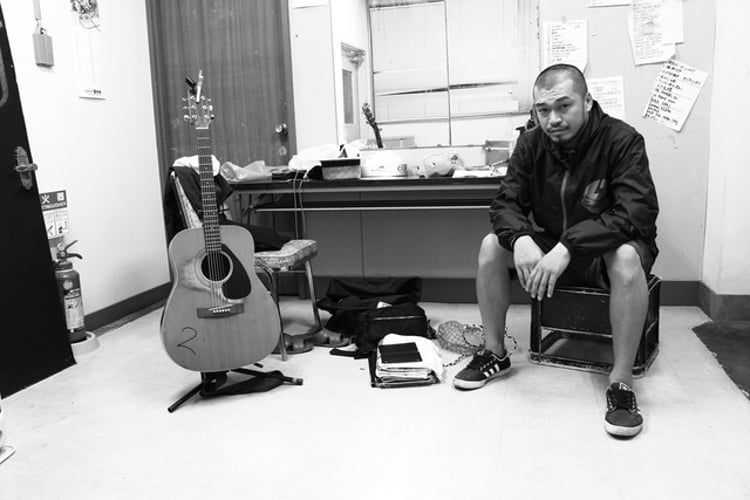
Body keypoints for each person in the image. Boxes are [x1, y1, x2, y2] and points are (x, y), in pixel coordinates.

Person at [453, 64, 659, 438]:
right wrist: (520, 239)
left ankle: (621, 383)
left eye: (564, 106)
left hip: (602, 252)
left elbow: (636, 212)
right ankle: (495, 352)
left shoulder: (622, 141)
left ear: (587, 101)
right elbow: (506, 203)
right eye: (543, 110)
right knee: (492, 245)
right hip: (554, 248)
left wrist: (569, 245)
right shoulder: (531, 144)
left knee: (628, 257)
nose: (553, 119)